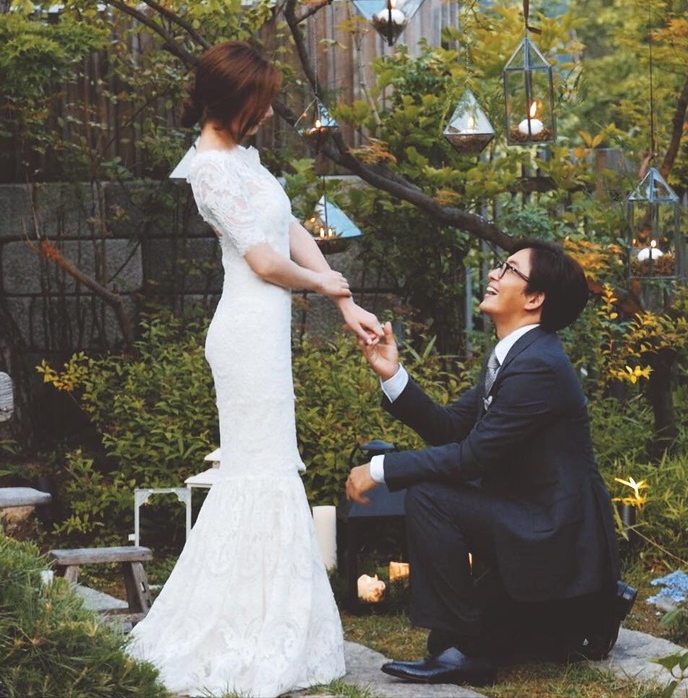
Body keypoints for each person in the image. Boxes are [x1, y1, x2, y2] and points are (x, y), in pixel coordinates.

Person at [128, 40, 382, 697]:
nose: (270, 114)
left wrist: (345, 300)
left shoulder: (244, 157)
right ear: (232, 101)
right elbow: (265, 263)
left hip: (265, 337)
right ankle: (241, 630)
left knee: (271, 469)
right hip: (244, 336)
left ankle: (271, 623)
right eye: (262, 103)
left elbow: (288, 227)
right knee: (257, 472)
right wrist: (325, 287)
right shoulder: (209, 169)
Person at [346, 238, 623, 687]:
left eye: (509, 269)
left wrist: (380, 469)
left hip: (554, 533)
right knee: (434, 499)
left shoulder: (538, 365)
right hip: (527, 517)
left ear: (534, 298)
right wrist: (392, 374)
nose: (494, 274)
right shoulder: (515, 356)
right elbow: (452, 428)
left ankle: (467, 650)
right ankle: (469, 638)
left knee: (430, 496)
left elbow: (472, 457)